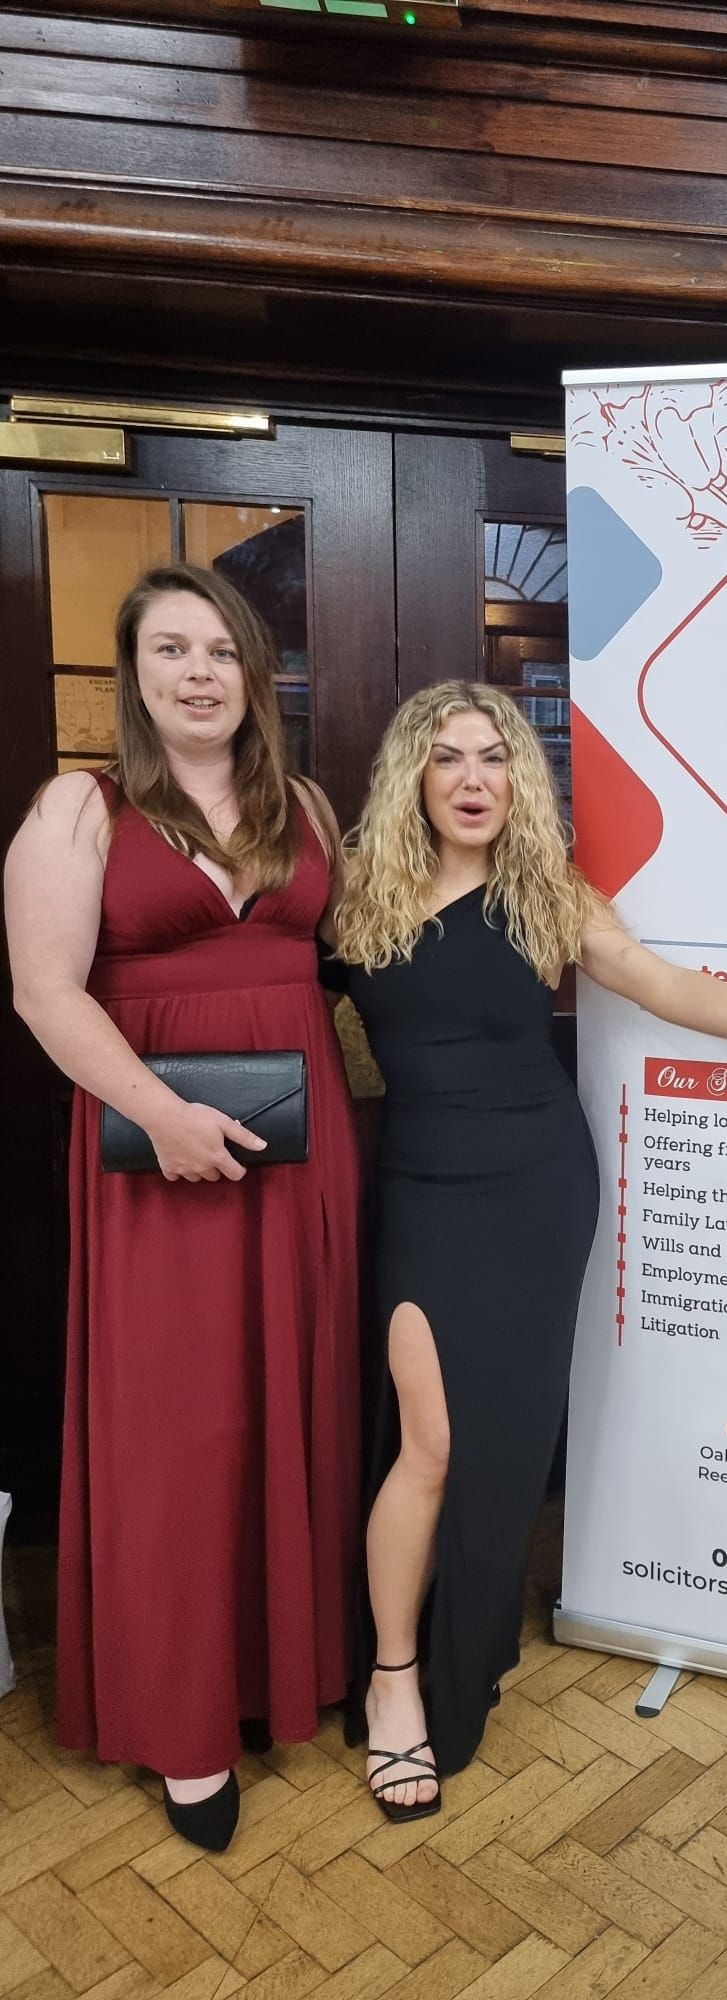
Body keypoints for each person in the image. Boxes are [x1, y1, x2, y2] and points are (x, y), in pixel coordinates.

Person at [334, 680, 727, 1817]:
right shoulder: (358, 897)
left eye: (495, 757)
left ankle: (460, 1661)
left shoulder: (547, 893)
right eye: (448, 759)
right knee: (428, 1440)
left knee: (501, 1444)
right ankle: (395, 1673)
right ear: (414, 776)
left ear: (521, 778)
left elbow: (658, 981)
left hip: (540, 1186)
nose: (475, 779)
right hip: (423, 1190)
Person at [4, 565, 360, 1852]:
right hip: (153, 1163)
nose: (199, 671)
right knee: (179, 1429)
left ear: (254, 672)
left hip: (301, 1155)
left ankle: (274, 1677)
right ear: (135, 672)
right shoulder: (79, 806)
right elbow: (47, 993)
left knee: (291, 1403)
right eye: (172, 649)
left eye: (222, 649)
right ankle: (183, 1721)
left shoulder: (306, 801)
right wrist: (158, 1114)